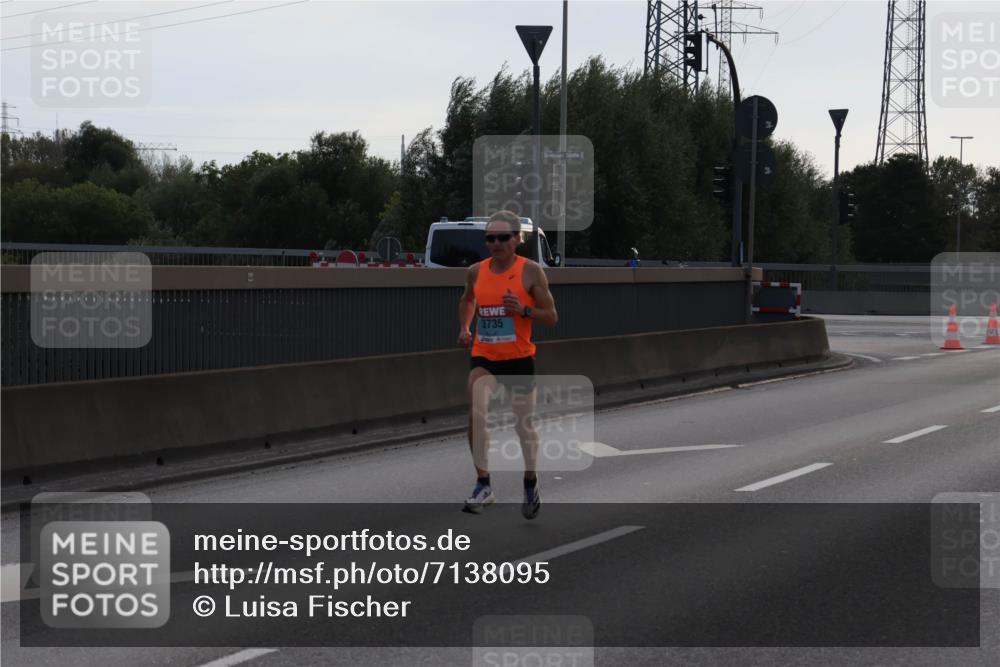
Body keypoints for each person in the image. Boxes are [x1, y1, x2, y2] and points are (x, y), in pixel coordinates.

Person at [457, 211, 558, 518]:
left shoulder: (531, 272)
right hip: (485, 356)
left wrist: (524, 310)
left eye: (503, 238)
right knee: (476, 412)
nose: (496, 244)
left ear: (517, 240)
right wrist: (465, 327)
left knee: (523, 425)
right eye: (490, 238)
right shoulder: (476, 271)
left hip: (518, 358)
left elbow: (551, 316)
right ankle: (483, 483)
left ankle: (530, 481)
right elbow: (467, 299)